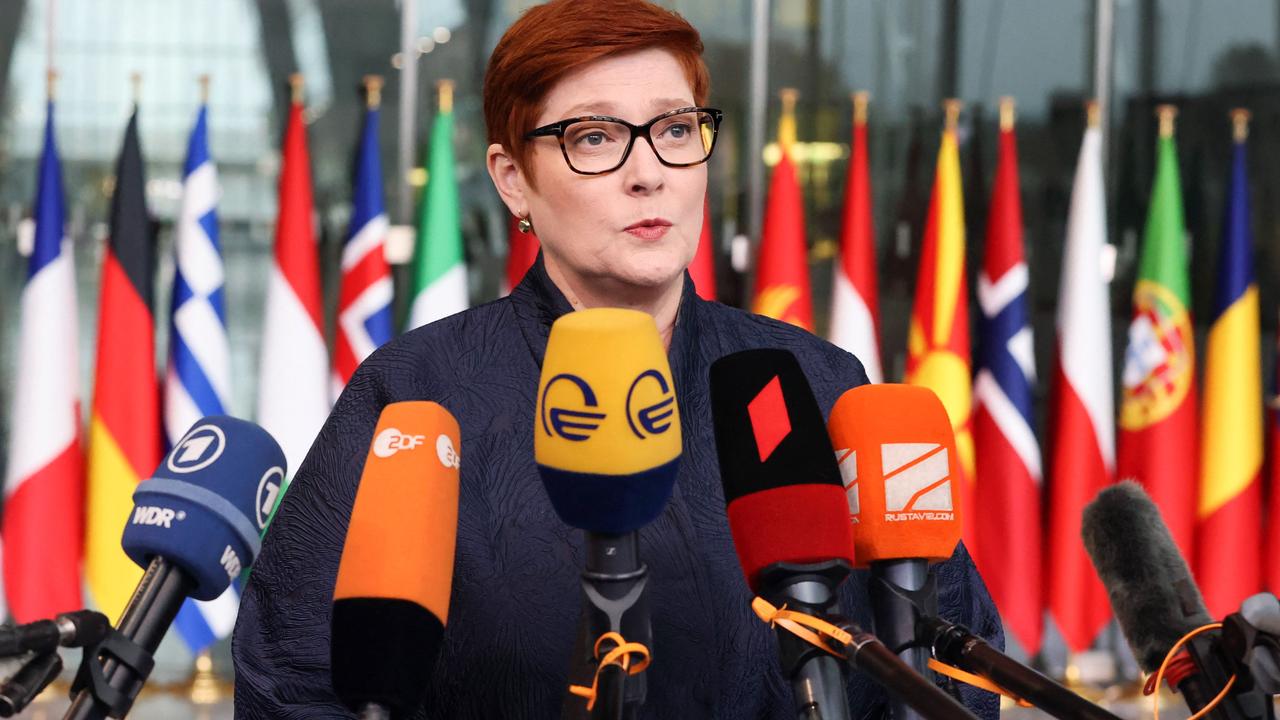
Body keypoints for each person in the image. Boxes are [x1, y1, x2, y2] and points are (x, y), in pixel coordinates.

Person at [232, 1, 1003, 717]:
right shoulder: (417, 391)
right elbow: (291, 682)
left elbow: (945, 666)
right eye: (595, 137)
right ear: (512, 181)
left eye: (674, 129)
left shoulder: (813, 383)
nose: (649, 171)